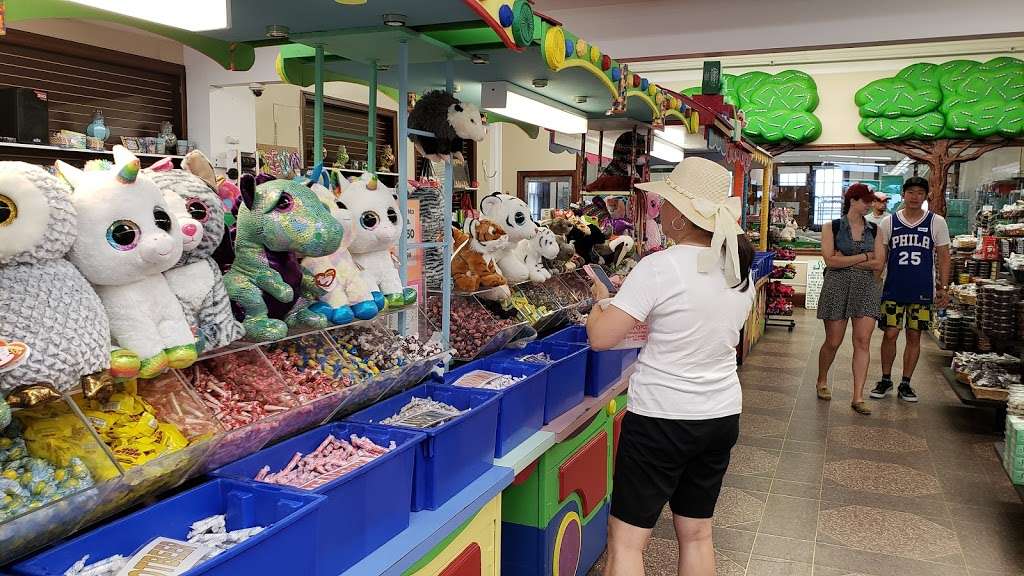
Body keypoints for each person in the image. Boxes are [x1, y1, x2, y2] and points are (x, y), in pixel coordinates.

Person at [585, 157, 756, 576]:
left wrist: (598, 305)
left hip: (662, 417)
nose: (661, 214)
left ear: (681, 217)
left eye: (665, 206)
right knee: (697, 533)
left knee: (627, 542)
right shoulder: (739, 269)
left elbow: (601, 337)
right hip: (719, 414)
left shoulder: (660, 266)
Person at [871, 176, 951, 402]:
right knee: (890, 333)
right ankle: (886, 379)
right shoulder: (889, 222)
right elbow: (882, 257)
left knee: (914, 335)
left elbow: (944, 256)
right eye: (911, 192)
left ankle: (906, 383)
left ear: (925, 196)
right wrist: (872, 283)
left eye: (920, 193)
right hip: (893, 288)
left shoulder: (937, 222)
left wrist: (944, 288)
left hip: (922, 289)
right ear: (903, 195)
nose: (915, 197)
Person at [814, 184, 886, 415]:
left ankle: (858, 396)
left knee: (862, 341)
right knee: (833, 341)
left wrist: (847, 258)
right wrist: (866, 255)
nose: (870, 205)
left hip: (867, 287)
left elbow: (879, 264)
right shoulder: (831, 227)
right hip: (837, 286)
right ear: (853, 200)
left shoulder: (876, 230)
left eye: (871, 201)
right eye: (866, 201)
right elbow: (830, 261)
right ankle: (822, 380)